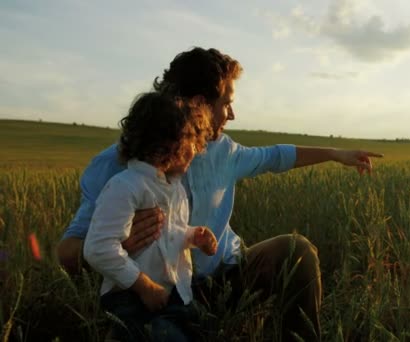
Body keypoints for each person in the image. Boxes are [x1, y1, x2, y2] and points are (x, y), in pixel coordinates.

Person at [57, 47, 383, 341]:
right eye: (226, 103)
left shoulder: (223, 151)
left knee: (296, 250)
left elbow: (276, 156)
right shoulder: (119, 165)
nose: (232, 114)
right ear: (200, 105)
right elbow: (68, 252)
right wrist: (120, 244)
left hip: (227, 276)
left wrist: (335, 153)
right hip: (156, 293)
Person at [83, 92, 218, 341]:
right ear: (169, 144)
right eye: (194, 141)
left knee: (203, 329)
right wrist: (144, 286)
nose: (199, 150)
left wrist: (192, 236)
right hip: (132, 297)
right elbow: (98, 248)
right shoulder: (125, 186)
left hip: (173, 293)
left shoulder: (174, 187)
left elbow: (168, 235)